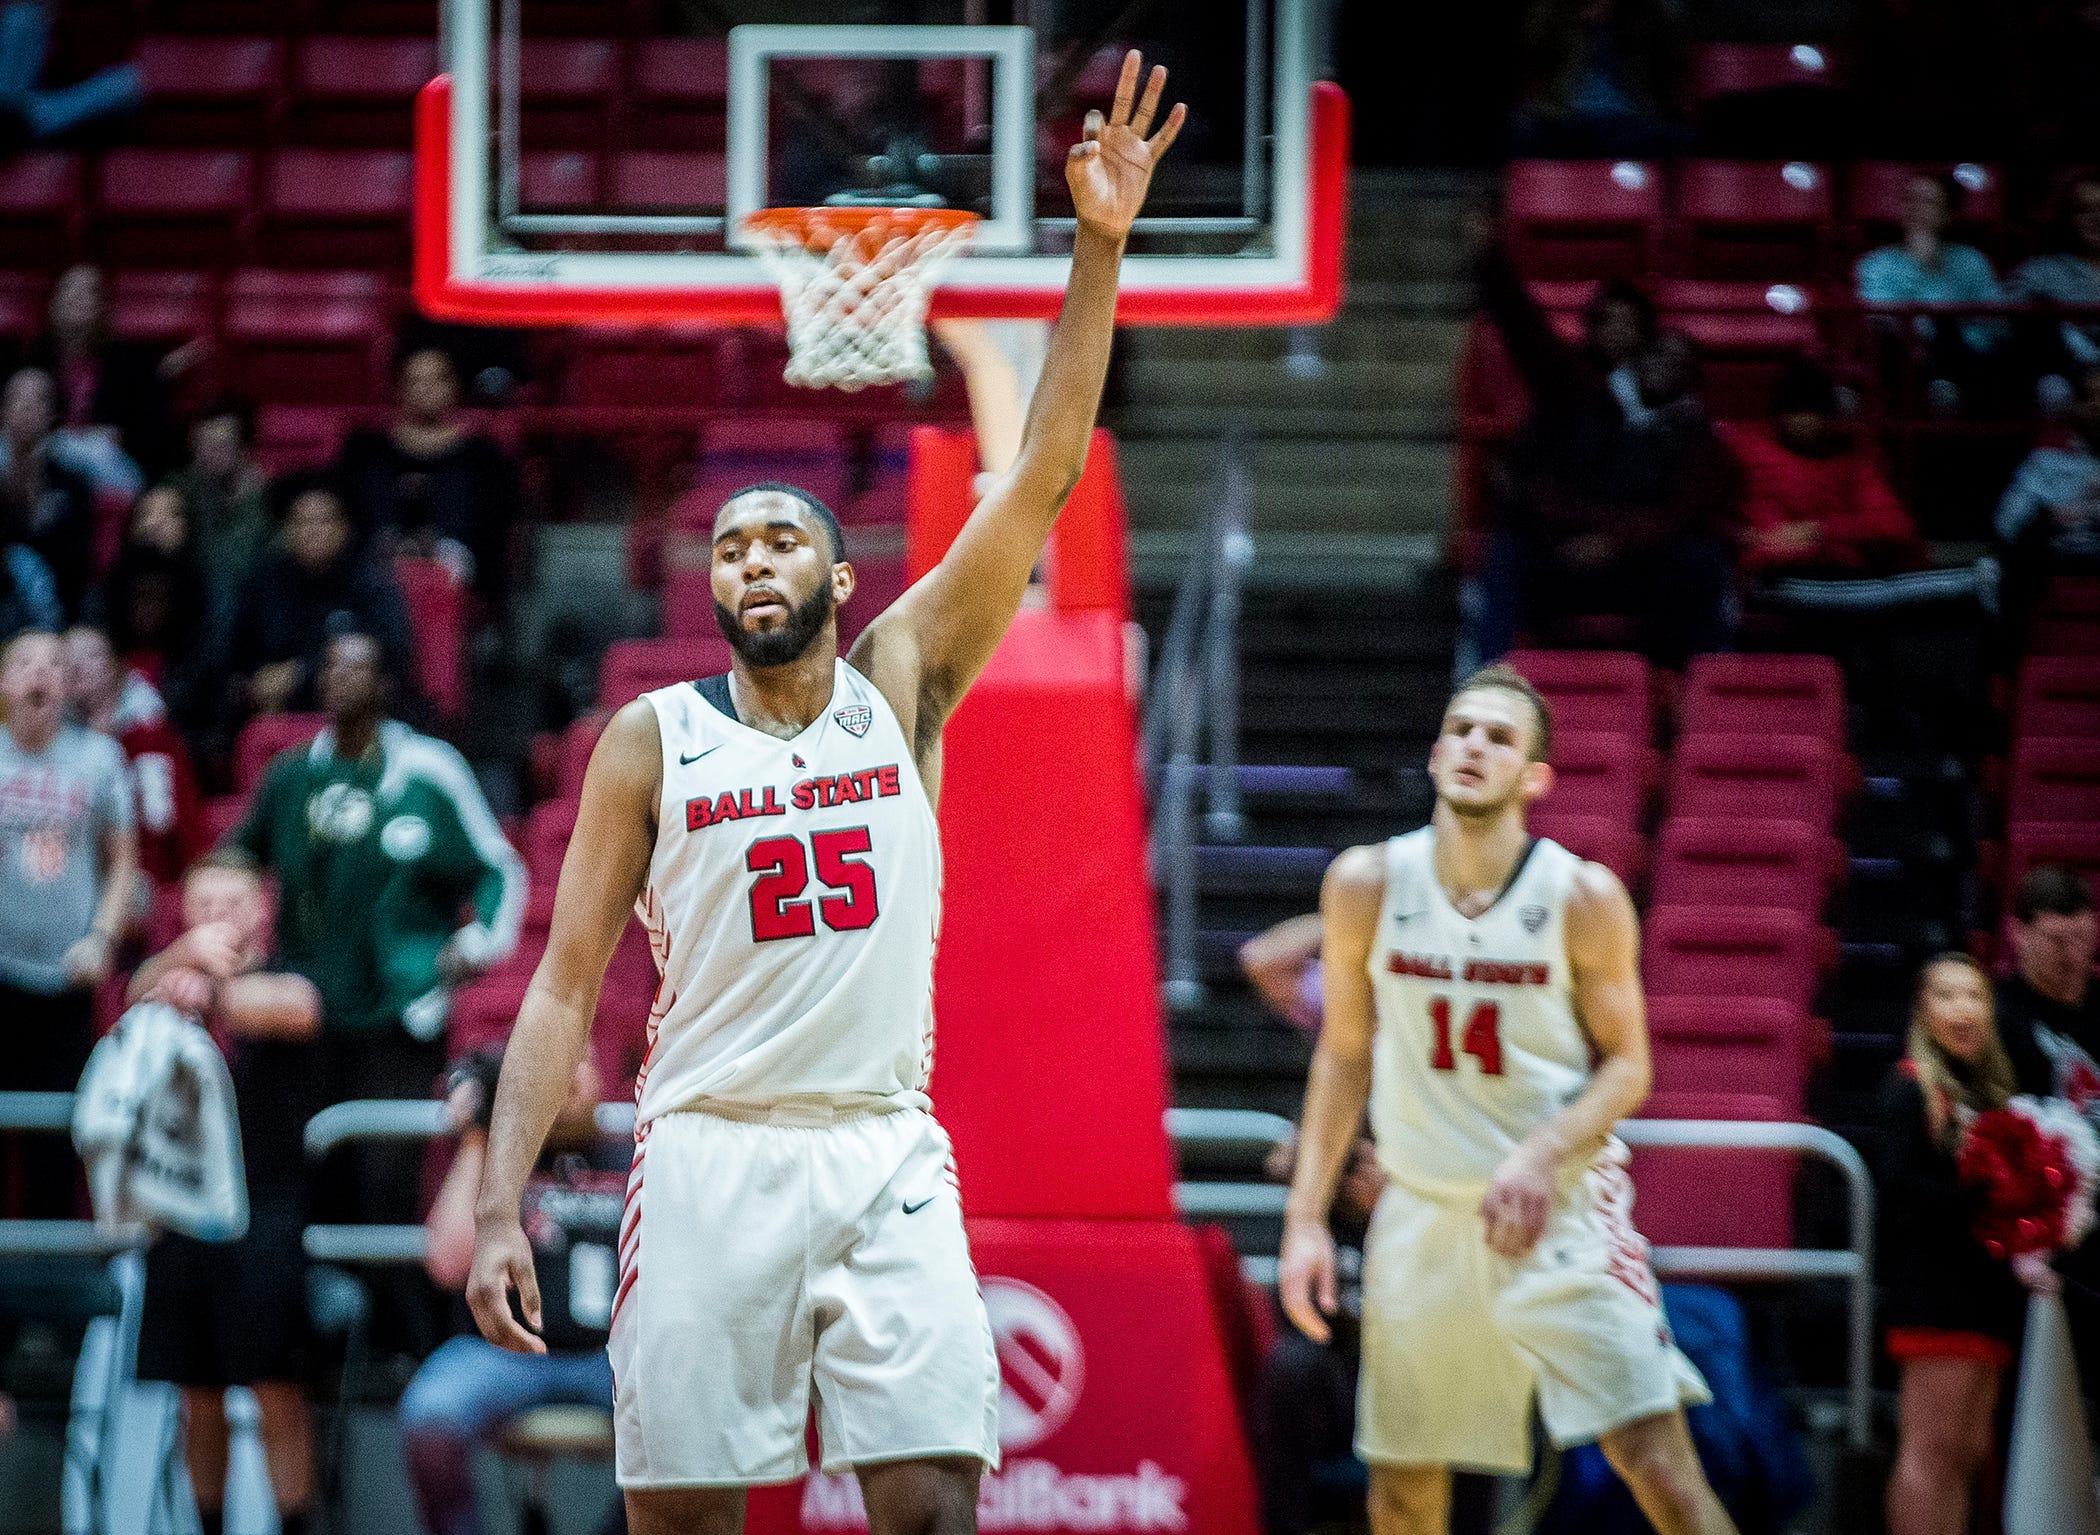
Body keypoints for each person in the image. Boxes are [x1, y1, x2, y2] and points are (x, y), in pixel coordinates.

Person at [464, 54, 1184, 1535]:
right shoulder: (651, 738)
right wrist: (494, 1204)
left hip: (880, 1144)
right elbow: (562, 986)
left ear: (841, 577)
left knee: (932, 1504)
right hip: (709, 1146)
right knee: (688, 1520)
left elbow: (1044, 474)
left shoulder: (900, 676)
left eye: (781, 540)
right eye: (731, 546)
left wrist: (1100, 246)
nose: (753, 560)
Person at [1278, 664, 1733, 1535]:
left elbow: (1629, 1067)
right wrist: (1305, 1217)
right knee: (1402, 1493)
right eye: (1461, 729)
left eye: (1499, 736)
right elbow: (1344, 1051)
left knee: (1659, 1466)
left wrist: (1542, 1150)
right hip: (1422, 1211)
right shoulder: (1366, 882)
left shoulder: (1582, 895)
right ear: (1435, 753)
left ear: (1535, 776)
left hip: (1561, 1207)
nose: (1474, 746)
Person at [230, 627, 525, 1351]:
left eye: (358, 668)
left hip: (400, 1014)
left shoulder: (429, 771)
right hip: (305, 1016)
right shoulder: (291, 776)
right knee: (301, 1183)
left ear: (387, 685)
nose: (341, 679)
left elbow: (499, 869)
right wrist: (229, 937)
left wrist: (475, 946)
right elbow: (234, 859)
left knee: (386, 1183)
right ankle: (310, 1347)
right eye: (332, 666)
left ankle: (403, 1348)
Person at [128, 851, 324, 1535]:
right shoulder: (171, 970)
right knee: (197, 1391)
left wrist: (199, 988)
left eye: (231, 904)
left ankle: (295, 1524)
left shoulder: (290, 969)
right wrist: (179, 961)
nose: (218, 919)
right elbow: (130, 1002)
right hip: (181, 1210)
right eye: (203, 906)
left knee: (277, 1389)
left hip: (266, 1210)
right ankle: (207, 1525)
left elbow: (298, 1009)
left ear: (262, 909)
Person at [1465, 253, 1741, 669]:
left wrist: (1614, 542)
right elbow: (1529, 338)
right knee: (1508, 548)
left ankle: (1704, 688)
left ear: (1691, 378)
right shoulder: (1585, 399)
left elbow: (1677, 517)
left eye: (1677, 363)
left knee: (1702, 560)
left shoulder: (1697, 438)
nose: (1663, 367)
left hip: (1639, 567)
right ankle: (1487, 679)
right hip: (1566, 557)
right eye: (1657, 356)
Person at [403, 1045, 626, 1535]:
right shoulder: (496, 1158)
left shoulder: (633, 1154)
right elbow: (447, 1264)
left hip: (613, 1359)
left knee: (687, 1417)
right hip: (503, 1354)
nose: (569, 1076)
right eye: (555, 1063)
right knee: (430, 1415)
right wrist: (481, 1134)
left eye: (582, 1062)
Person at [1878, 953, 2047, 1535]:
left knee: (1968, 1451)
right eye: (1946, 996)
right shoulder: (1909, 1089)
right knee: (1930, 1450)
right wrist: (1985, 1190)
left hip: (1985, 1291)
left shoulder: (1993, 1092)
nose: (1963, 1009)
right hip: (1934, 1292)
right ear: (1922, 1011)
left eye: (1974, 995)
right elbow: (1899, 1190)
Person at [0, 629, 136, 1216]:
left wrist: (103, 938)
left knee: (55, 1141)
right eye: (26, 663)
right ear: (4, 682)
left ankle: (47, 1269)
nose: (41, 673)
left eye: (54, 665)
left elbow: (123, 862)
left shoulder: (100, 759)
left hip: (66, 978)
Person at [219, 472, 415, 724]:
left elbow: (390, 652)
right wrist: (255, 683)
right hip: (272, 710)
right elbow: (237, 651)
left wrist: (300, 673)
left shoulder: (371, 581)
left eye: (323, 521)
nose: (311, 531)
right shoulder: (265, 580)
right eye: (300, 522)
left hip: (354, 716)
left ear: (344, 527)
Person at [335, 345, 522, 599]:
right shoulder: (366, 448)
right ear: (398, 387)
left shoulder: (482, 453)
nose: (425, 389)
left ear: (454, 386)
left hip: (459, 571)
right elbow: (343, 511)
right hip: (378, 562)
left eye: (436, 380)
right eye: (415, 381)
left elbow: (498, 523)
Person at [62, 622, 203, 897]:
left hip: (144, 881)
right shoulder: (49, 741)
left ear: (115, 666)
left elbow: (169, 826)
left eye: (91, 655)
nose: (78, 665)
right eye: (67, 658)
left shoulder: (150, 737)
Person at [1854, 173, 2008, 415]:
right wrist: (1920, 267)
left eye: (1928, 202)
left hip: (1965, 364)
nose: (1916, 209)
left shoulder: (1973, 262)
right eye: (1910, 200)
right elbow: (1881, 322)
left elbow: (1994, 328)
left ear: (1949, 214)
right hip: (1901, 364)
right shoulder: (1874, 264)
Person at [17, 265, 182, 482]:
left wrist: (121, 438)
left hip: (109, 468)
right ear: (53, 302)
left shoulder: (133, 364)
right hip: (42, 465)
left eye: (87, 291)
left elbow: (154, 432)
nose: (75, 297)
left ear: (103, 307)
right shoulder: (31, 359)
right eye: (68, 288)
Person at [1995, 363, 2100, 644]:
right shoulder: (2045, 464)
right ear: (2076, 406)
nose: (2097, 407)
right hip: (2052, 582)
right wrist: (2053, 515)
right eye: (2091, 397)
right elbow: (2007, 525)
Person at [1512, 0, 1689, 158]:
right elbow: (1532, 43)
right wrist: (1577, 19)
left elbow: (1671, 61)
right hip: (1565, 118)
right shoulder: (1557, 15)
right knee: (1522, 133)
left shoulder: (1644, 19)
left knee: (1678, 138)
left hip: (1628, 119)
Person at [92, 480, 213, 709]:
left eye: (170, 515)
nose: (155, 523)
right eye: (146, 514)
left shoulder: (211, 592)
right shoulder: (105, 590)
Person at [1996, 865, 2099, 1099]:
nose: (2072, 953)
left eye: (2081, 936)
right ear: (2018, 933)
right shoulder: (1993, 1014)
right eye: (2056, 940)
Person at [0, 366, 96, 619]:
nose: (26, 407)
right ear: (3, 411)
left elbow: (77, 564)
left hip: (54, 608)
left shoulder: (72, 484)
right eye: (17, 398)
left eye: (38, 399)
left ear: (53, 414)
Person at [168, 396, 273, 606]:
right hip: (193, 594)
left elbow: (245, 566)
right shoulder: (186, 487)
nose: (208, 454)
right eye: (201, 445)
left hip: (249, 598)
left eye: (220, 446)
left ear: (245, 449)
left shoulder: (269, 501)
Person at [2008, 174, 2100, 412]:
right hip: (2068, 385)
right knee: (2053, 388)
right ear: (2069, 217)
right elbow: (2000, 324)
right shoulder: (2039, 272)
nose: (2096, 218)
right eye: (2084, 210)